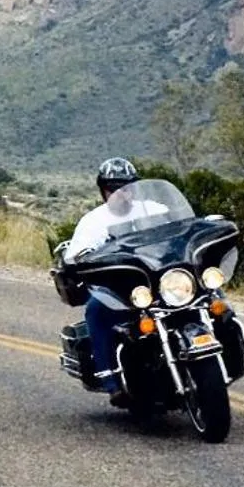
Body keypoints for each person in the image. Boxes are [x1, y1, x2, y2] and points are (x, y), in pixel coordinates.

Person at [62, 157, 173, 393]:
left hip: (159, 279)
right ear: (104, 190)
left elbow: (180, 227)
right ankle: (109, 377)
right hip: (119, 287)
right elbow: (76, 255)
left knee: (210, 291)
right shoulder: (93, 221)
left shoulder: (155, 209)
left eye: (129, 187)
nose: (124, 193)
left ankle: (226, 341)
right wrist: (81, 258)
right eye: (115, 188)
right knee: (96, 309)